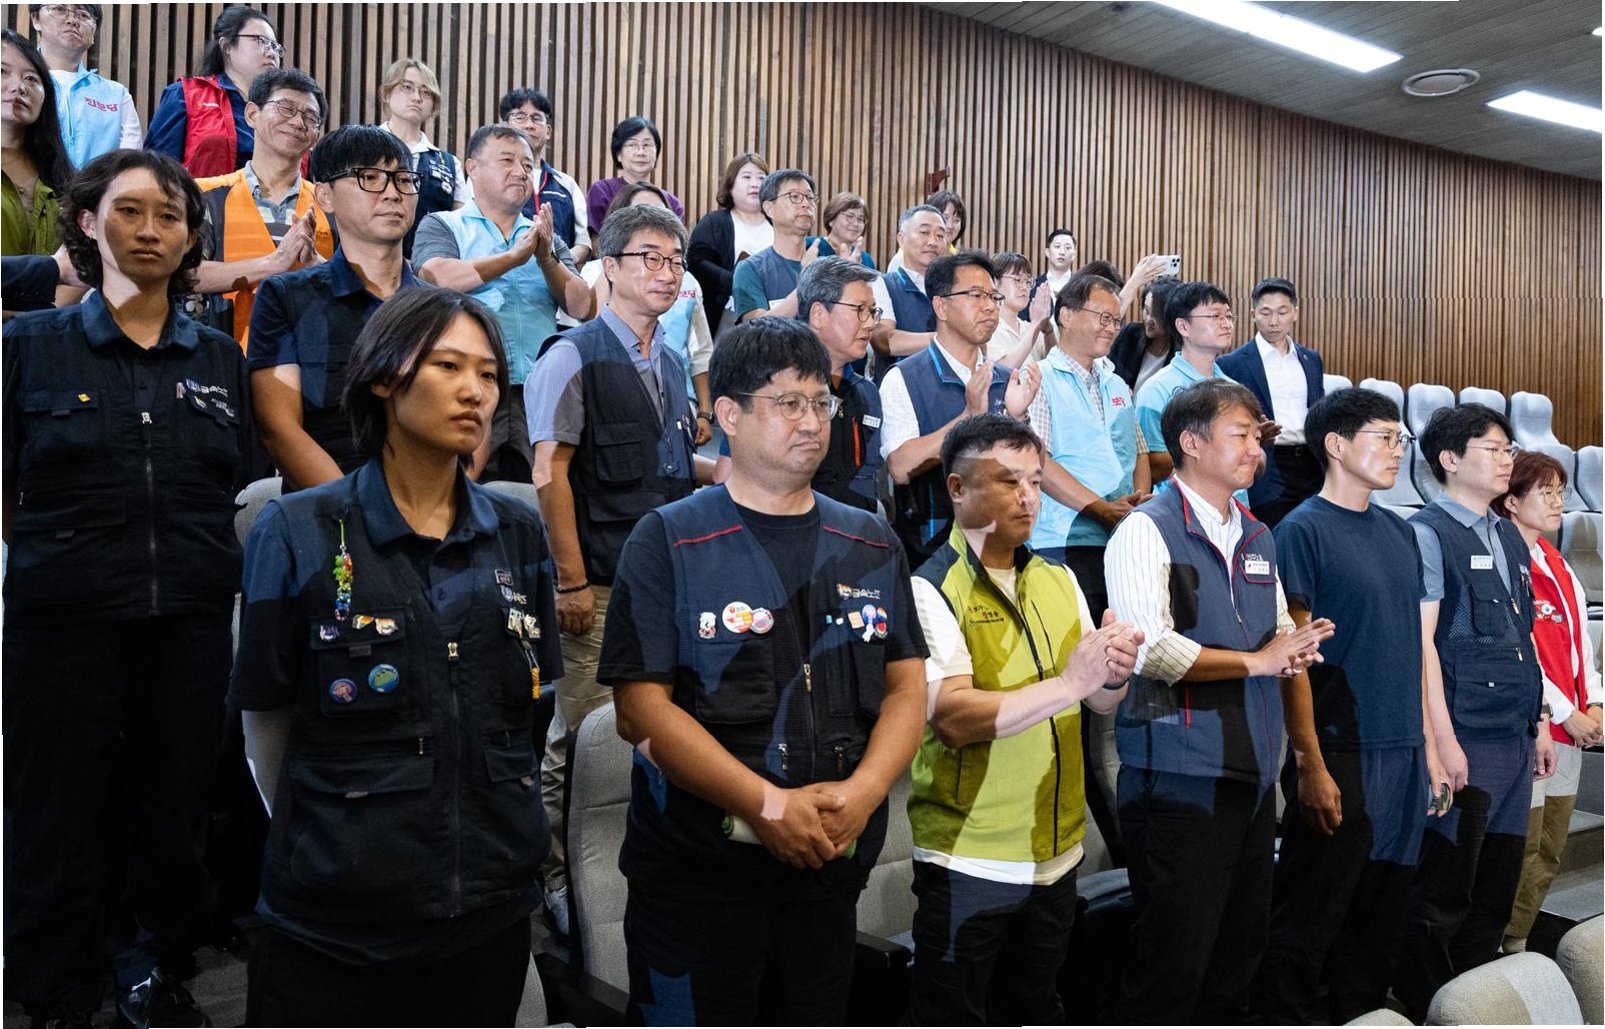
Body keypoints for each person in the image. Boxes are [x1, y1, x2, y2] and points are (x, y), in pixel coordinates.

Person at [232, 285, 561, 1026]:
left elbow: (531, 710)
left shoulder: (517, 532)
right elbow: (265, 730)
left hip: (485, 913)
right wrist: (338, 835)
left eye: (488, 373)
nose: (475, 391)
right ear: (384, 377)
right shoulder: (297, 530)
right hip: (335, 928)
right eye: (448, 365)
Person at [597, 318, 928, 1025]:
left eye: (820, 402)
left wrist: (866, 791)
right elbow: (640, 710)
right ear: (728, 414)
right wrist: (765, 805)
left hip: (828, 871)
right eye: (787, 403)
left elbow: (905, 684)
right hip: (700, 883)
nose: (811, 421)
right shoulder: (670, 537)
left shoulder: (868, 537)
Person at [3, 148, 252, 1029]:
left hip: (186, 621)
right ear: (87, 221)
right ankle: (55, 989)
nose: (150, 229)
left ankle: (154, 966)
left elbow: (229, 482)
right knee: (54, 812)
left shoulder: (216, 357)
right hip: (60, 624)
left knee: (171, 808)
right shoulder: (27, 345)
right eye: (130, 209)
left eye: (170, 215)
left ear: (190, 239)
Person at [1106, 379, 1335, 1024]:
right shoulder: (1145, 530)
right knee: (1172, 968)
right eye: (1241, 435)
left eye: (1258, 436)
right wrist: (1258, 661)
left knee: (1238, 960)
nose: (1256, 449)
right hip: (1179, 776)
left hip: (1252, 772)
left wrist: (1296, 646)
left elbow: (1276, 631)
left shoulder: (1258, 534)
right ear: (1191, 442)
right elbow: (1147, 649)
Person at [906, 412, 1141, 1024]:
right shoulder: (930, 587)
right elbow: (954, 717)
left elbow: (1097, 704)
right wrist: (1071, 681)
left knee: (1037, 1007)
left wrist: (1114, 672)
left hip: (1056, 851)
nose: (1029, 497)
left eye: (1036, 481)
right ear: (957, 488)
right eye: (1009, 480)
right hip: (970, 857)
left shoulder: (1058, 578)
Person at [523, 202, 701, 933]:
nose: (665, 273)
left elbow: (674, 469)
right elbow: (548, 474)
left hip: (663, 587)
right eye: (649, 259)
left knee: (654, 733)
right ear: (610, 267)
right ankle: (559, 879)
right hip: (593, 586)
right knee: (582, 740)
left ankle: (628, 872)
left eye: (674, 261)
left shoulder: (672, 363)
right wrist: (568, 580)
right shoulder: (572, 354)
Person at [1250, 388, 1445, 1025]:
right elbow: (1294, 657)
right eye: (1384, 437)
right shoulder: (1300, 531)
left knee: (1380, 921)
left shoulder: (1400, 531)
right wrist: (1310, 762)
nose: (1397, 450)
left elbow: (1412, 649)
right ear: (1335, 444)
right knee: (1309, 918)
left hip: (1402, 752)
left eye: (1400, 439)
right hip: (1341, 749)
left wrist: (1429, 751)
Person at [1392, 403, 1554, 1022]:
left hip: (1515, 729)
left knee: (1497, 884)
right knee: (1445, 887)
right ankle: (1433, 1005)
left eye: (1509, 448)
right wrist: (1442, 741)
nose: (1507, 458)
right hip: (1466, 732)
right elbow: (1422, 645)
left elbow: (1523, 634)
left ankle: (1482, 1001)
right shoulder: (1427, 533)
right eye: (1493, 448)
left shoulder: (1508, 532)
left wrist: (1541, 722)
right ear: (1450, 459)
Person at [414, 123, 590, 483]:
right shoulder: (443, 224)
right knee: (460, 488)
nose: (520, 172)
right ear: (472, 168)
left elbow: (581, 305)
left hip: (539, 391)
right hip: (468, 388)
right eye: (507, 161)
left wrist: (545, 259)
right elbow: (437, 276)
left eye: (527, 165)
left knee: (540, 492)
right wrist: (512, 258)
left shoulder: (546, 236)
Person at [249, 125, 422, 491]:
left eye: (404, 180)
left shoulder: (443, 309)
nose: (393, 193)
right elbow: (279, 427)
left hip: (431, 504)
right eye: (370, 178)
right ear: (325, 196)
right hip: (327, 507)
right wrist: (356, 509)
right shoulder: (286, 297)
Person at [1499, 450, 1603, 953]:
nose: (1559, 501)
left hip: (1572, 727)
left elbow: (1582, 644)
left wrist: (1595, 701)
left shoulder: (1556, 561)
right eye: (1545, 492)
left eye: (1561, 491)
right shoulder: (1503, 561)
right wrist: (1565, 712)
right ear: (1511, 500)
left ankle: (1517, 944)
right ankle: (1488, 950)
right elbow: (1521, 653)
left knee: (1548, 851)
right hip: (1534, 728)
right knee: (1519, 848)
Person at [879, 250, 1038, 564]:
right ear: (941, 306)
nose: (990, 307)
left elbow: (1033, 468)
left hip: (1003, 547)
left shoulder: (1005, 377)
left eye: (993, 297)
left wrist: (1018, 418)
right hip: (932, 553)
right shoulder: (905, 377)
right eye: (976, 295)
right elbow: (899, 467)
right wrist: (968, 417)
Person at [1027, 273, 1150, 621]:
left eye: (1117, 320)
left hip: (1122, 539)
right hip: (1063, 540)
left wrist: (1136, 507)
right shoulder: (1039, 378)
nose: (1112, 328)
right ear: (1066, 316)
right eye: (1103, 317)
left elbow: (1138, 451)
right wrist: (1101, 509)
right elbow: (1038, 462)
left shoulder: (1117, 383)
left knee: (1124, 642)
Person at [192, 67, 335, 349]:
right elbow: (187, 273)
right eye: (285, 108)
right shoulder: (206, 194)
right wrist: (273, 264)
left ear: (316, 135)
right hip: (227, 356)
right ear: (252, 114)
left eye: (310, 117)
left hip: (312, 357)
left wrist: (318, 266)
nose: (298, 122)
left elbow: (353, 283)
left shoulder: (331, 204)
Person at [584, 181, 714, 443]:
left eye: (662, 213)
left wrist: (704, 411)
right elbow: (591, 332)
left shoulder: (684, 279)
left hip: (678, 402)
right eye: (642, 211)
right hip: (613, 405)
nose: (654, 220)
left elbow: (699, 350)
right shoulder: (597, 271)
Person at [1218, 277, 1325, 528]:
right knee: (1271, 533)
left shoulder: (1311, 359)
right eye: (1265, 313)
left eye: (1282, 312)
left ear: (1295, 313)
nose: (1274, 321)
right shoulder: (1233, 363)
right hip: (1267, 462)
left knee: (1313, 533)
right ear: (1253, 314)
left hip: (1310, 462)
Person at [1134, 279, 1249, 487]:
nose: (1226, 324)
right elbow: (1150, 465)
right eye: (1215, 316)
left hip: (1235, 501)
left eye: (1229, 316)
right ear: (1183, 326)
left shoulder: (1234, 388)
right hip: (1181, 504)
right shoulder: (1156, 389)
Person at [145, 6, 281, 177]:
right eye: (261, 41)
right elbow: (157, 169)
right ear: (227, 46)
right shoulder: (185, 95)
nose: (272, 53)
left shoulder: (283, 108)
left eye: (275, 46)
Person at [28, 3, 140, 168]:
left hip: (97, 185)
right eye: (59, 9)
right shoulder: (15, 83)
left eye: (83, 15)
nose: (72, 20)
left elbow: (130, 164)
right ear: (36, 19)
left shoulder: (117, 95)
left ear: (94, 34)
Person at [376, 58, 465, 257]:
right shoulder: (362, 145)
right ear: (387, 93)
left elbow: (461, 225)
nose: (416, 97)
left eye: (425, 92)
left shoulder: (449, 163)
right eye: (407, 87)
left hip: (427, 265)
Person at [499, 86, 590, 263]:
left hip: (558, 273)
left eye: (536, 118)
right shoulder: (488, 176)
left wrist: (559, 262)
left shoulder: (566, 183)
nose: (529, 125)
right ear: (504, 126)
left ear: (548, 131)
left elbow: (583, 242)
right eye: (520, 117)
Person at [1, 29, 72, 257]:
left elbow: (77, 259)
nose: (19, 87)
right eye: (2, 71)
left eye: (31, 78)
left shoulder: (61, 174)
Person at [686, 151, 771, 332]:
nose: (755, 184)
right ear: (730, 186)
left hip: (772, 316)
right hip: (723, 318)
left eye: (761, 178)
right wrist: (737, 281)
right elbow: (697, 263)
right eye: (746, 177)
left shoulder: (778, 224)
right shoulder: (715, 222)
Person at [730, 167, 824, 322]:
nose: (806, 204)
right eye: (794, 197)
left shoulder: (827, 265)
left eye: (810, 197)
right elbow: (757, 328)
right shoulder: (750, 269)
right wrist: (807, 280)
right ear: (769, 208)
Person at [869, 203, 947, 376]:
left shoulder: (954, 287)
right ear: (901, 239)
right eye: (924, 232)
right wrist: (947, 340)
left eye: (940, 235)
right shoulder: (883, 284)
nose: (933, 242)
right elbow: (884, 340)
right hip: (901, 385)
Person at [585, 115, 684, 233]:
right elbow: (596, 240)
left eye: (647, 145)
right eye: (632, 145)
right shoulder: (602, 191)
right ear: (619, 154)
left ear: (656, 153)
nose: (640, 152)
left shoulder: (672, 202)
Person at [1108, 274, 1180, 395]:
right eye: (1146, 310)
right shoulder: (1130, 335)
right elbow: (1107, 370)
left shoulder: (1181, 352)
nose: (1149, 319)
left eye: (1156, 314)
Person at [988, 251, 1051, 365]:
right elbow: (1004, 370)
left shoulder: (1027, 327)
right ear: (995, 283)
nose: (1024, 287)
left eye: (1028, 281)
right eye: (1017, 280)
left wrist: (1048, 329)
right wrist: (1036, 323)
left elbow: (1053, 361)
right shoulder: (988, 326)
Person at [1022, 227, 1077, 314]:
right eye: (1057, 246)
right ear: (1047, 252)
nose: (1062, 252)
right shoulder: (1033, 286)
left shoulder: (1082, 287)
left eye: (1067, 247)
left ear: (1074, 254)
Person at [819, 190, 876, 269]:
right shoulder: (812, 246)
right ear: (831, 219)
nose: (855, 224)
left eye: (860, 219)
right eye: (850, 216)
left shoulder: (866, 260)